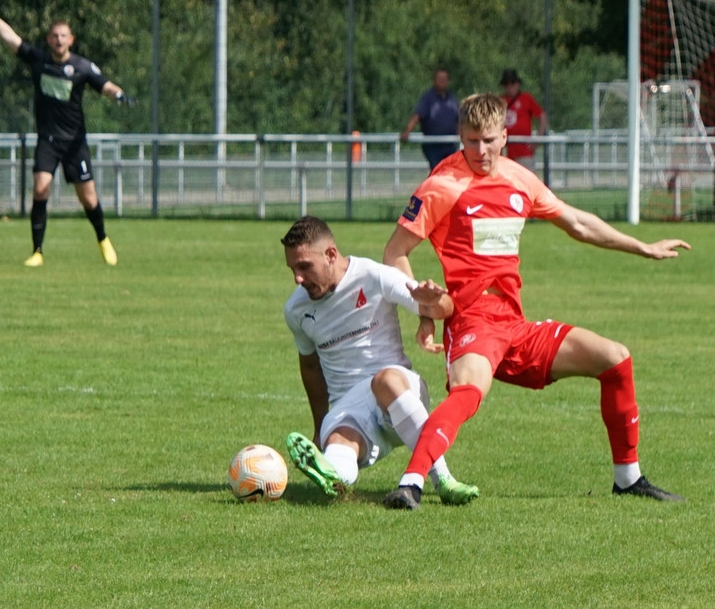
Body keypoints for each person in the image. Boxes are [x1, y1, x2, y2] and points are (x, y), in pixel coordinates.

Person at [381, 93, 691, 510]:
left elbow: (578, 223)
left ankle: (628, 479)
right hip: (472, 321)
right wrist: (424, 309)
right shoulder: (442, 185)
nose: (480, 150)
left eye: (489, 140)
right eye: (471, 141)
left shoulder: (519, 180)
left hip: (515, 324)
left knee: (615, 358)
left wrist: (642, 246)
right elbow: (394, 252)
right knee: (469, 392)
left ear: (505, 136)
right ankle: (411, 485)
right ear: (460, 136)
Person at [281, 215, 479, 505]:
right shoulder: (295, 309)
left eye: (304, 267)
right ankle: (334, 475)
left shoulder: (373, 276)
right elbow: (310, 366)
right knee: (339, 443)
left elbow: (444, 309)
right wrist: (320, 426)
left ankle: (444, 480)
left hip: (400, 391)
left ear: (331, 254)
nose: (298, 278)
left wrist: (433, 300)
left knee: (383, 380)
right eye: (292, 269)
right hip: (350, 407)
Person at [0, 0, 133, 267]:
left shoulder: (82, 67)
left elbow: (105, 85)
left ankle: (103, 239)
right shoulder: (39, 61)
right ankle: (37, 252)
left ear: (71, 39)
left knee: (89, 199)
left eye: (63, 36)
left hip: (74, 142)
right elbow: (11, 38)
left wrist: (119, 94)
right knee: (40, 188)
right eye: (54, 36)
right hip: (48, 140)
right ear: (48, 39)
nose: (59, 40)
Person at [399, 68, 460, 171]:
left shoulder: (452, 99)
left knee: (449, 171)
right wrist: (407, 131)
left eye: (445, 79)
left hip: (450, 144)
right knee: (437, 170)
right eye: (439, 79)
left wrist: (461, 135)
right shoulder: (428, 98)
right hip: (433, 145)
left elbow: (460, 119)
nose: (442, 81)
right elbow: (417, 116)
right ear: (434, 80)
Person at [499, 68, 548, 167]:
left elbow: (542, 116)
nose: (509, 86)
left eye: (512, 83)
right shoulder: (500, 101)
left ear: (518, 84)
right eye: (506, 84)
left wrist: (538, 139)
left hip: (525, 152)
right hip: (506, 151)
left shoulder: (526, 98)